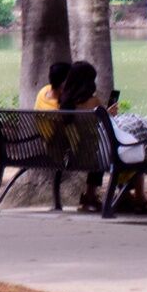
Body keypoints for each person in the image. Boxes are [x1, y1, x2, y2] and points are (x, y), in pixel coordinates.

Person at [30, 57, 109, 210]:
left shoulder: (45, 93)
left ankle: (90, 197)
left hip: (51, 148)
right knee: (102, 152)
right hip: (67, 154)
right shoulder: (70, 107)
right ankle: (92, 196)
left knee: (98, 149)